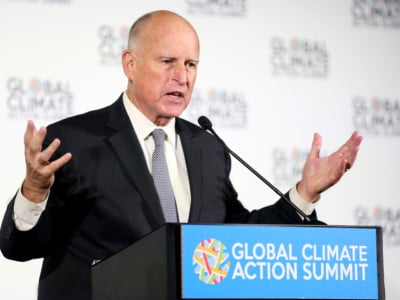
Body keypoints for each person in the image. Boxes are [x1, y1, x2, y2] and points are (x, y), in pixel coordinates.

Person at [0, 10, 362, 300]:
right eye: (167, 61)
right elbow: (21, 247)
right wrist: (34, 189)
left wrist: (305, 192)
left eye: (190, 64)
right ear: (130, 64)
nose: (182, 77)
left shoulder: (206, 147)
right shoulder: (74, 141)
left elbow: (236, 239)